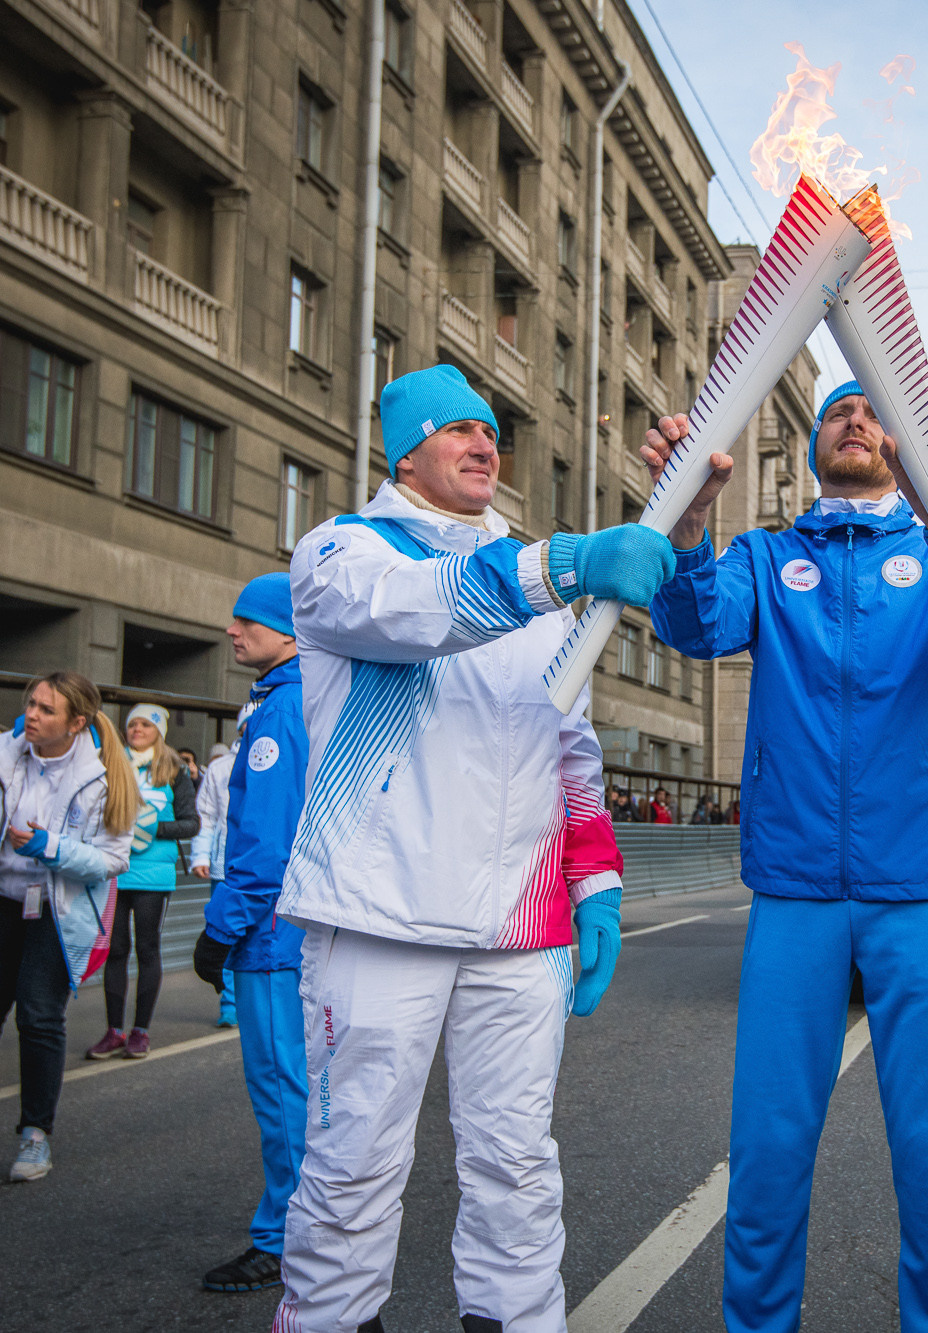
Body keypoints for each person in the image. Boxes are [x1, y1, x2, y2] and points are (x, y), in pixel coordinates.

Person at [272, 363, 672, 1332]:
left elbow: (568, 741)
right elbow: (419, 613)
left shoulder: (536, 577)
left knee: (515, 1160)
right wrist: (562, 567)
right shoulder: (342, 552)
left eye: (490, 430)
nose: (482, 442)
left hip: (520, 922)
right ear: (402, 448)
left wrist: (597, 881)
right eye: (455, 428)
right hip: (377, 910)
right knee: (354, 1163)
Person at [644, 378, 928, 1333]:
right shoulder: (764, 556)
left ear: (904, 445)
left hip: (920, 884)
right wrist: (689, 515)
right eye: (838, 411)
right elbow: (691, 624)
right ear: (811, 445)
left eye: (874, 413)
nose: (856, 421)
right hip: (797, 887)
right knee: (768, 1146)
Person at [0, 671, 140, 1181]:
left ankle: (35, 1136)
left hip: (57, 912)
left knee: (39, 1018)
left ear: (76, 722)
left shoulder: (101, 775)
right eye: (31, 703)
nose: (31, 715)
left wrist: (49, 847)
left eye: (46, 709)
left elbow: (113, 860)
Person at [189, 573, 310, 1295]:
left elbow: (265, 845)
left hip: (272, 937)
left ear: (288, 628)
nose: (233, 629)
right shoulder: (284, 698)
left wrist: (221, 928)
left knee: (281, 1089)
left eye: (248, 619)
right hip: (290, 930)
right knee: (297, 1089)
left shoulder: (283, 707)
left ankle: (286, 1241)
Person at [86, 702, 199, 1059]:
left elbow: (190, 823)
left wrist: (151, 828)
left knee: (147, 950)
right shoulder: (109, 763)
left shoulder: (174, 769)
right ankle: (114, 1030)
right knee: (115, 951)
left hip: (154, 875)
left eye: (145, 725)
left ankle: (141, 1031)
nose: (137, 730)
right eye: (132, 724)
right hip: (115, 871)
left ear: (159, 732)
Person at [190, 739, 239, 1026]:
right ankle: (230, 1005)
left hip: (263, 868)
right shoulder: (220, 767)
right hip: (223, 866)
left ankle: (252, 1003)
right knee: (224, 936)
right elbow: (205, 816)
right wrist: (200, 856)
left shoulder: (282, 755)